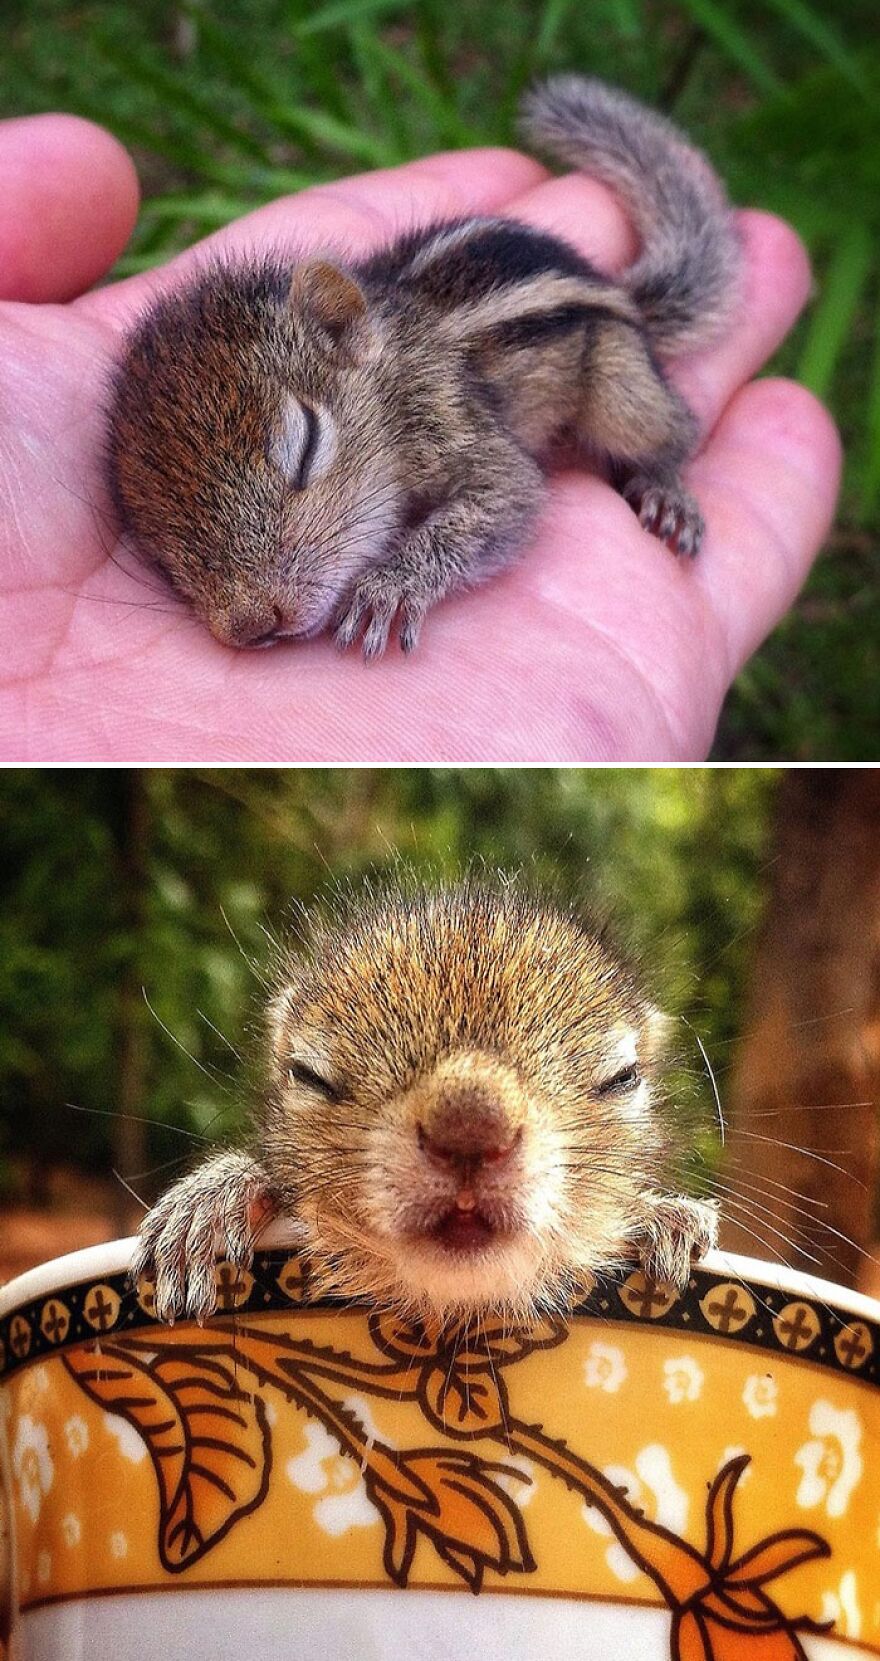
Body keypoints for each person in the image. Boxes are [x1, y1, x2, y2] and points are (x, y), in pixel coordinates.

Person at [0, 114, 840, 762]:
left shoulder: (419, 399)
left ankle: (661, 467)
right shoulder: (255, 530)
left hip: (582, 344)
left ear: (342, 332)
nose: (242, 614)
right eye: (179, 559)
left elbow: (510, 494)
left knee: (630, 417)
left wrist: (417, 568)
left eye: (302, 455)